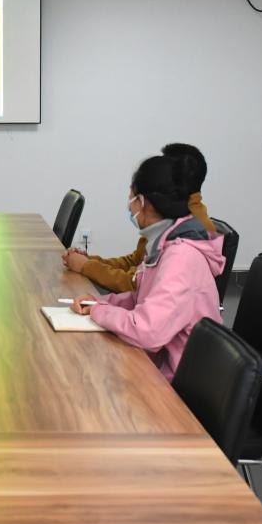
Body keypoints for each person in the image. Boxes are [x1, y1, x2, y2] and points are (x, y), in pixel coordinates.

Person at [70, 156, 225, 382]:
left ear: (143, 202)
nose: (129, 205)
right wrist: (99, 302)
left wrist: (98, 312)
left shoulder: (181, 258)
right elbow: (141, 299)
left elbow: (147, 330)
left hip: (181, 384)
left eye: (131, 198)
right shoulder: (165, 243)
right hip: (159, 364)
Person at [62, 143, 215, 292]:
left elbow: (136, 285)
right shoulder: (163, 221)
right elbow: (136, 262)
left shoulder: (184, 234)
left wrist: (87, 266)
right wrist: (90, 261)